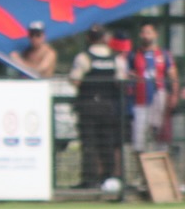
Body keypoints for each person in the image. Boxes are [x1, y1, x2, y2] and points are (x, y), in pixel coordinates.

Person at [69, 26, 129, 188]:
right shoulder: (116, 59)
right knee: (107, 143)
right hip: (108, 106)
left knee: (89, 143)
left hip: (88, 105)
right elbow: (121, 82)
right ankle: (108, 178)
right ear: (104, 38)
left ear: (89, 38)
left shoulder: (84, 57)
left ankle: (89, 180)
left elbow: (75, 80)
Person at [129, 23, 179, 155]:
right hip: (140, 100)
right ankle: (141, 166)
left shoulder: (164, 54)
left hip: (159, 97)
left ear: (155, 34)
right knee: (139, 136)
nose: (146, 36)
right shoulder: (134, 54)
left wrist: (174, 95)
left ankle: (161, 165)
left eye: (149, 32)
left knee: (160, 133)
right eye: (143, 32)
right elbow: (127, 74)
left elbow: (172, 75)